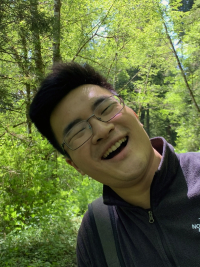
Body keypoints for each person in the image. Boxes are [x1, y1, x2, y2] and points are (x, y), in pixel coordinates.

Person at [29, 62, 200, 267]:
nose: (101, 131)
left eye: (106, 108)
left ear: (135, 115)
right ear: (75, 166)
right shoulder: (96, 232)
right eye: (77, 132)